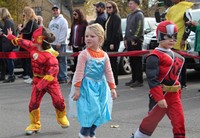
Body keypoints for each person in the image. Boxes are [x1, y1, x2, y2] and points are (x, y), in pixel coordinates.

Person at [6, 26, 70, 135]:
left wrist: (42, 84)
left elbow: (53, 71)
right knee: (33, 104)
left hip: (50, 82)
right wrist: (11, 37)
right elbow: (22, 42)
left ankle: (61, 116)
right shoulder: (33, 47)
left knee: (58, 100)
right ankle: (34, 124)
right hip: (37, 79)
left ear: (40, 40)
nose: (32, 41)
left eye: (34, 39)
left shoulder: (50, 56)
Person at [132, 21, 185, 138]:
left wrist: (178, 92)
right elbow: (152, 79)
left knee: (179, 123)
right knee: (150, 122)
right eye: (167, 36)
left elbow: (177, 79)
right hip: (160, 95)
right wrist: (159, 97)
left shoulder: (177, 57)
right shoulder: (154, 56)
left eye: (174, 37)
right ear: (159, 36)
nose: (172, 39)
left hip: (174, 96)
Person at [69, 23, 117, 138]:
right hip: (87, 88)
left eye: (92, 36)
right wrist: (77, 89)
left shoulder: (104, 55)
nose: (88, 39)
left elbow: (109, 72)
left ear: (100, 39)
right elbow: (79, 72)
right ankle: (84, 132)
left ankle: (92, 132)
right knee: (91, 111)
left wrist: (112, 88)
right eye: (86, 36)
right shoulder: (84, 55)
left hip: (101, 87)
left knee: (100, 111)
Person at [165, 0, 193, 88]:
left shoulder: (186, 8)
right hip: (171, 38)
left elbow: (188, 25)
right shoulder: (171, 9)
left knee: (180, 61)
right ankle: (174, 81)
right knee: (172, 61)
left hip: (180, 39)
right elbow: (165, 22)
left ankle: (182, 82)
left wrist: (184, 39)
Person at [124, 0, 144, 87]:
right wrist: (125, 39)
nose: (129, 5)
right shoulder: (129, 16)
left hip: (136, 42)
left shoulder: (139, 15)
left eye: (131, 3)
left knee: (137, 61)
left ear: (136, 4)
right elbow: (127, 28)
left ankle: (139, 80)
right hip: (129, 41)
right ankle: (134, 78)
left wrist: (134, 38)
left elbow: (139, 28)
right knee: (132, 61)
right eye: (129, 4)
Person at [103, 1, 123, 85]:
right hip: (108, 41)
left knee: (113, 61)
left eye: (110, 7)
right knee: (110, 62)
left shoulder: (116, 17)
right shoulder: (109, 17)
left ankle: (115, 80)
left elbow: (115, 31)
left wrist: (112, 43)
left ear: (114, 8)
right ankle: (111, 80)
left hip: (113, 42)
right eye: (107, 7)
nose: (108, 9)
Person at [18, 6, 39, 84]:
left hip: (29, 44)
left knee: (29, 61)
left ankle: (30, 75)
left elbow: (28, 32)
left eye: (24, 13)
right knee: (25, 59)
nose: (23, 15)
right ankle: (27, 73)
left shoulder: (32, 22)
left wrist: (21, 30)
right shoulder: (28, 22)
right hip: (25, 44)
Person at [49, 5, 69, 84]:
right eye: (53, 10)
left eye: (56, 10)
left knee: (62, 61)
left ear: (59, 11)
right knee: (54, 61)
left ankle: (63, 77)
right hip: (53, 44)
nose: (55, 11)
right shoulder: (51, 22)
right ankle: (56, 76)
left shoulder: (63, 21)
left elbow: (64, 32)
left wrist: (60, 42)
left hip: (61, 44)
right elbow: (50, 33)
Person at [68, 9, 88, 82]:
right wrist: (70, 43)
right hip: (74, 44)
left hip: (81, 44)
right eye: (73, 15)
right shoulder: (74, 23)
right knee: (75, 61)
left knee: (81, 60)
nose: (74, 16)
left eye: (75, 14)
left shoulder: (84, 23)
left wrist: (84, 42)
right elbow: (72, 33)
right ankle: (76, 77)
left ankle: (83, 77)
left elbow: (86, 33)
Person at [0, 7, 16, 83]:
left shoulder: (7, 22)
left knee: (9, 61)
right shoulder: (10, 21)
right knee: (9, 60)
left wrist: (2, 34)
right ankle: (11, 75)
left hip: (7, 44)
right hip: (9, 44)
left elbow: (8, 34)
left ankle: (11, 76)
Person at [187, 20, 200, 92]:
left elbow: (198, 27)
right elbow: (197, 30)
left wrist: (197, 25)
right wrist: (191, 26)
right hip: (199, 47)